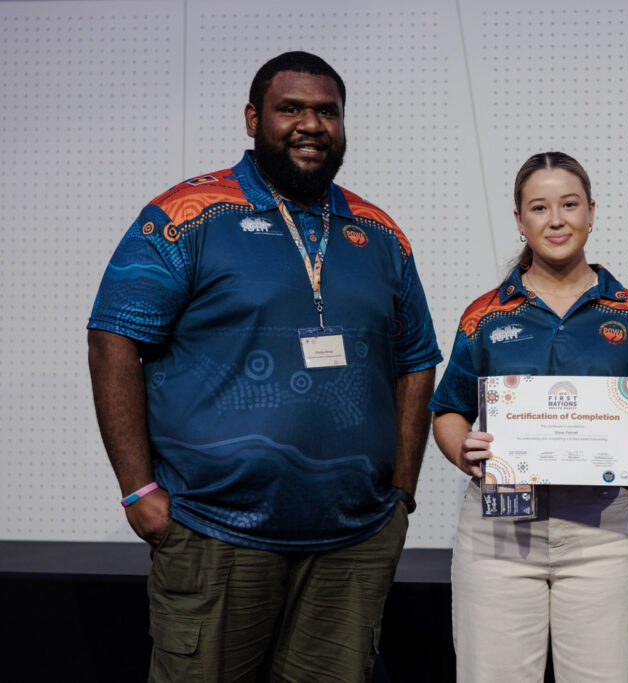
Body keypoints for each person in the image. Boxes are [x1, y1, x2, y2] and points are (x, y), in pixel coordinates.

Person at [87, 51, 441, 682]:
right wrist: (140, 490)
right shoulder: (185, 215)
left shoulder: (380, 233)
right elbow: (113, 338)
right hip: (214, 532)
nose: (311, 124)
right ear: (254, 118)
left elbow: (415, 360)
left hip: (351, 542)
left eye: (327, 111)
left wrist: (402, 494)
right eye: (291, 109)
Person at [429, 151, 628, 682]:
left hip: (602, 533)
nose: (557, 219)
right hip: (499, 533)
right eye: (539, 208)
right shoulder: (486, 314)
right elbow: (449, 410)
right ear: (520, 221)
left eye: (569, 204)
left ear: (591, 211)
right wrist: (462, 450)